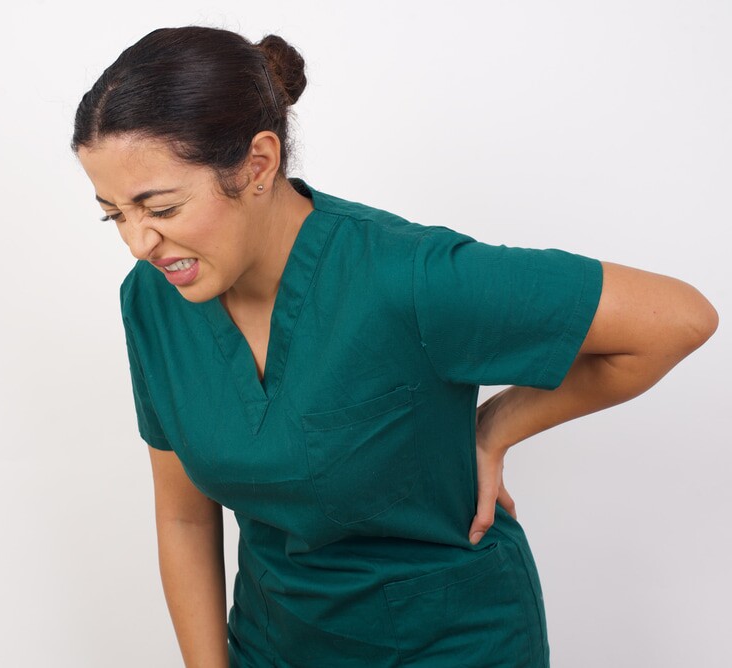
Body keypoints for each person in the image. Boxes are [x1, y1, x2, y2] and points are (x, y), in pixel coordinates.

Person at [70, 25, 718, 668]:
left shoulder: (407, 279)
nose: (137, 243)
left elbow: (676, 319)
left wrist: (495, 427)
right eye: (114, 213)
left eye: (160, 208)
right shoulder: (153, 301)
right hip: (273, 646)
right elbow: (185, 518)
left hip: (450, 647)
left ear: (258, 165)